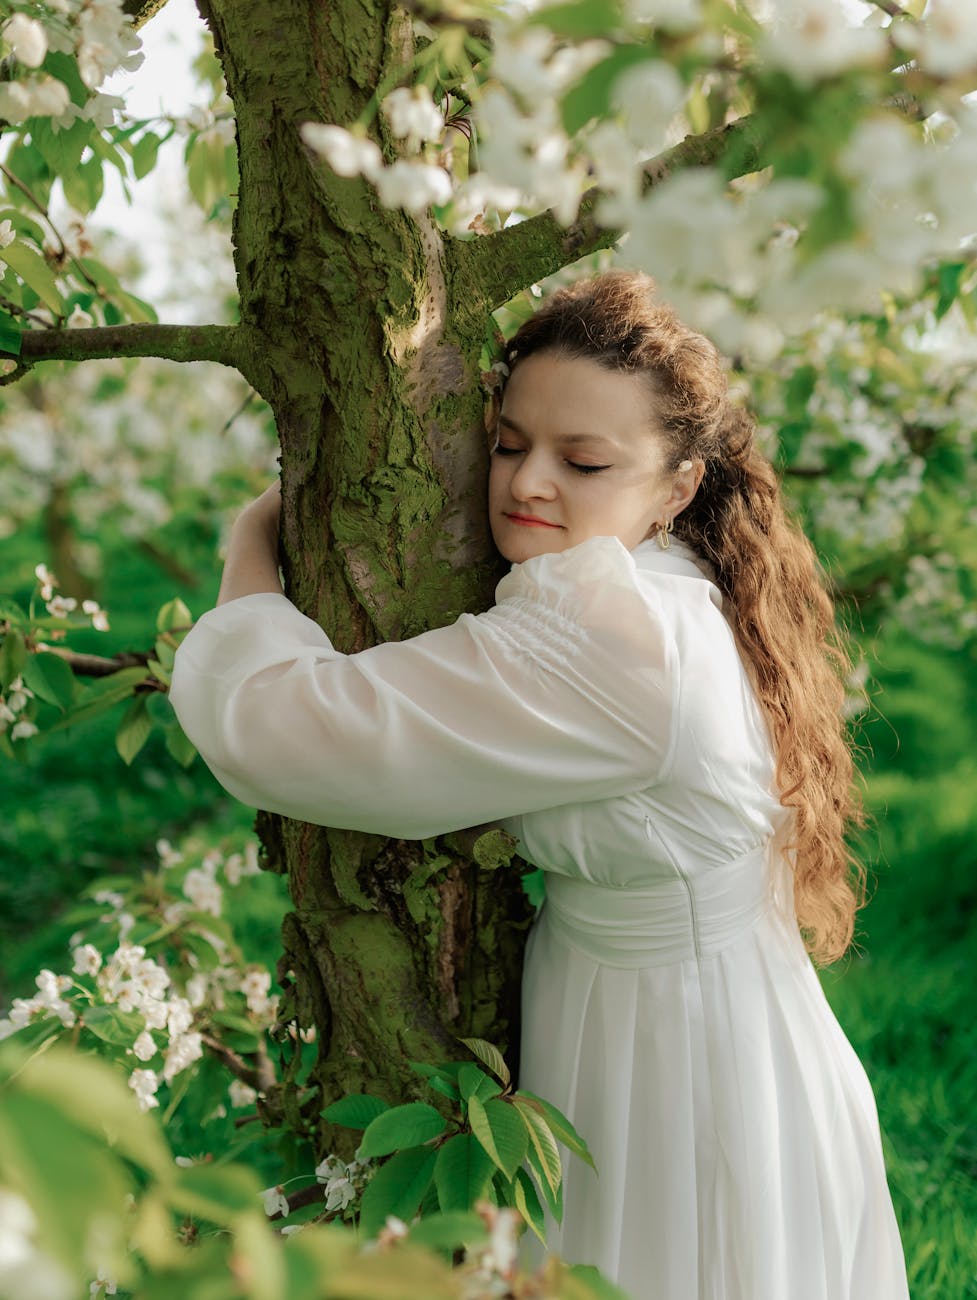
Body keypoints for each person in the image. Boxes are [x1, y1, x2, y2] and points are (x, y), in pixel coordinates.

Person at [169, 271, 910, 1299]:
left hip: (678, 1064)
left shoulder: (608, 635)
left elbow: (281, 729)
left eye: (585, 459)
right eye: (509, 442)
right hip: (690, 1022)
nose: (528, 482)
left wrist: (253, 545)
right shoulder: (670, 585)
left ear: (676, 487)